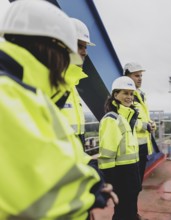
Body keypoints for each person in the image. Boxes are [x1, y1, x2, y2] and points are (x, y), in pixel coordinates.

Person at [0, 1, 117, 219]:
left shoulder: (30, 92)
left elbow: (58, 147)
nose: (78, 57)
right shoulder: (8, 93)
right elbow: (33, 196)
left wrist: (90, 175)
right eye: (71, 51)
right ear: (53, 47)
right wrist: (89, 192)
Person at [98, 76, 141, 220]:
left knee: (131, 209)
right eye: (125, 93)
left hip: (132, 171)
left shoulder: (127, 117)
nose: (129, 97)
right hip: (121, 175)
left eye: (131, 94)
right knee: (123, 212)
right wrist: (110, 181)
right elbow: (107, 154)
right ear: (115, 95)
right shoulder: (112, 119)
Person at [58, 17, 95, 147]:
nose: (85, 52)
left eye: (85, 47)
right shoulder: (49, 83)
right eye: (79, 45)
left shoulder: (71, 84)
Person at [123, 62, 156, 182]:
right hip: (131, 147)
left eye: (141, 76)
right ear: (127, 77)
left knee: (138, 183)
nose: (140, 79)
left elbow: (143, 117)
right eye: (137, 76)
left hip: (142, 146)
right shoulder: (124, 95)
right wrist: (144, 126)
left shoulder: (140, 95)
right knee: (131, 185)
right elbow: (124, 121)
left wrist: (151, 124)